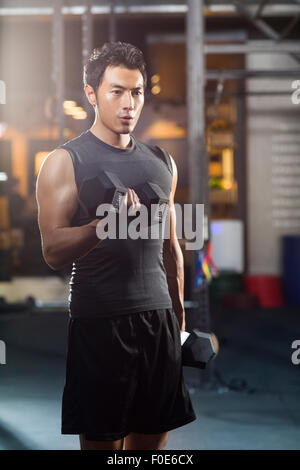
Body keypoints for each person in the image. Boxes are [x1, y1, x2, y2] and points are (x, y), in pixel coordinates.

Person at [36, 41, 196, 451]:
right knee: (103, 446)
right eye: (116, 91)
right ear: (91, 94)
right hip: (100, 323)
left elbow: (171, 249)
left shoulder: (163, 161)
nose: (129, 103)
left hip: (158, 321)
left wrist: (178, 323)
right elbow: (53, 250)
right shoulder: (64, 162)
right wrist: (103, 227)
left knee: (151, 442)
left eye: (137, 92)